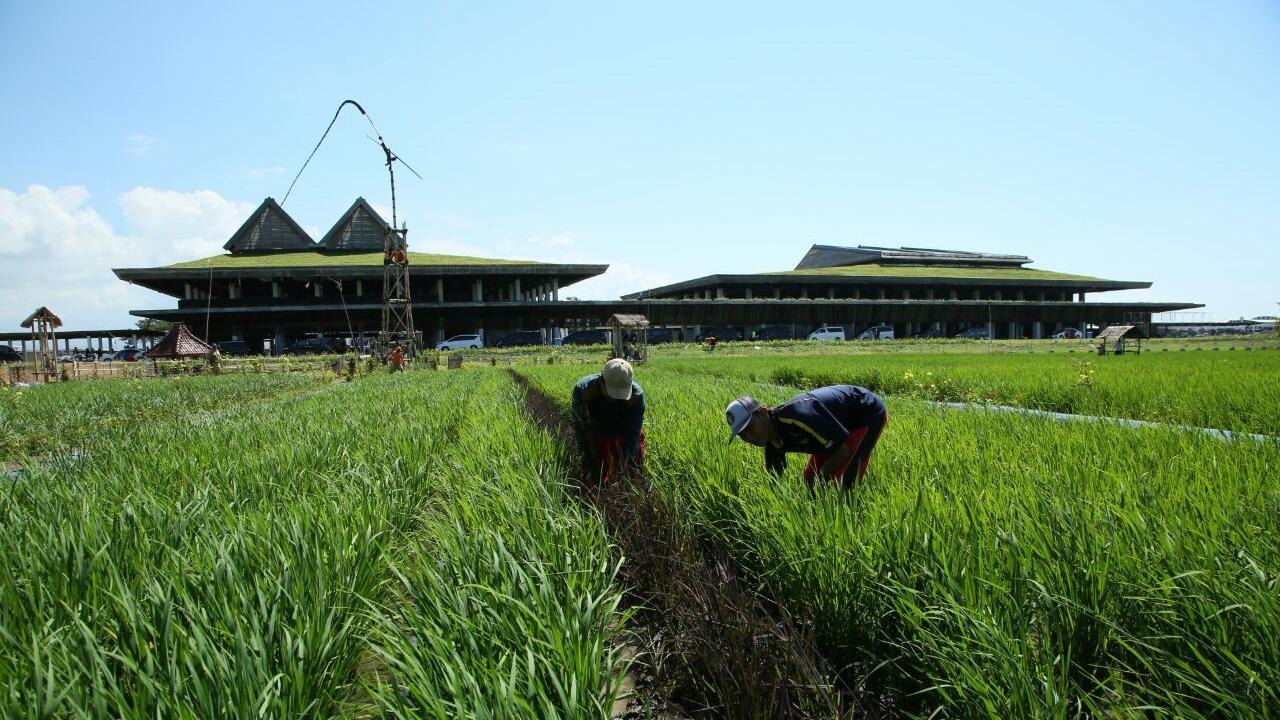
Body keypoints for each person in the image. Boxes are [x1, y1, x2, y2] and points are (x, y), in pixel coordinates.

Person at [725, 385, 888, 490]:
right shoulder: (772, 443)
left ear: (763, 412)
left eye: (749, 427)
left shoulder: (798, 417)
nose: (749, 437)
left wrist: (822, 480)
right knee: (809, 477)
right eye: (742, 434)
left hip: (864, 413)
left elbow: (843, 450)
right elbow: (775, 484)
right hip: (834, 428)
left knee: (844, 483)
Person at [572, 358, 645, 486]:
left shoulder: (636, 396)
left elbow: (632, 433)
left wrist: (627, 465)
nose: (615, 398)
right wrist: (590, 459)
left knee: (633, 458)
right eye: (612, 393)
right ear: (602, 381)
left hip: (623, 430)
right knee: (594, 469)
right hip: (596, 431)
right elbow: (581, 431)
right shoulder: (583, 391)